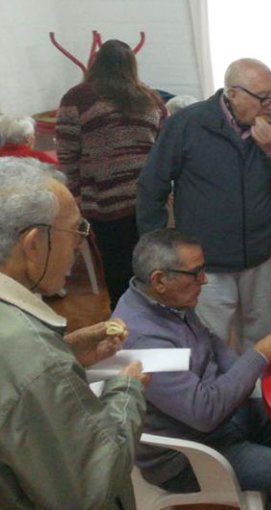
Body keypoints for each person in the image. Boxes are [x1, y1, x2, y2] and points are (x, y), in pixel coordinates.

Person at [115, 228, 271, 509]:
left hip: (225, 418)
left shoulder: (168, 301)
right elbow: (204, 413)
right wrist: (258, 357)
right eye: (196, 273)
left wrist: (243, 372)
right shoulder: (142, 340)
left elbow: (210, 342)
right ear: (160, 280)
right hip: (189, 455)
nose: (204, 280)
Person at [0, 157, 148, 509]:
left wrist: (66, 351)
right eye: (76, 230)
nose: (80, 244)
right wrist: (128, 388)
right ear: (34, 245)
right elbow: (90, 485)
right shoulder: (31, 354)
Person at [138, 58, 271, 351]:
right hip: (206, 261)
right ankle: (221, 395)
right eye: (263, 98)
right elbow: (152, 186)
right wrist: (156, 248)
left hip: (260, 253)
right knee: (212, 341)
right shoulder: (187, 125)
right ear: (233, 94)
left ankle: (257, 393)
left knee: (261, 334)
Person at [57, 39, 167, 309]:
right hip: (148, 197)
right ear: (131, 66)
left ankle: (127, 326)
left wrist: (77, 196)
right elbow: (164, 148)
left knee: (117, 269)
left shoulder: (76, 98)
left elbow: (68, 154)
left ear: (97, 63)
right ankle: (160, 324)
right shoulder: (151, 99)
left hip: (104, 201)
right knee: (154, 266)